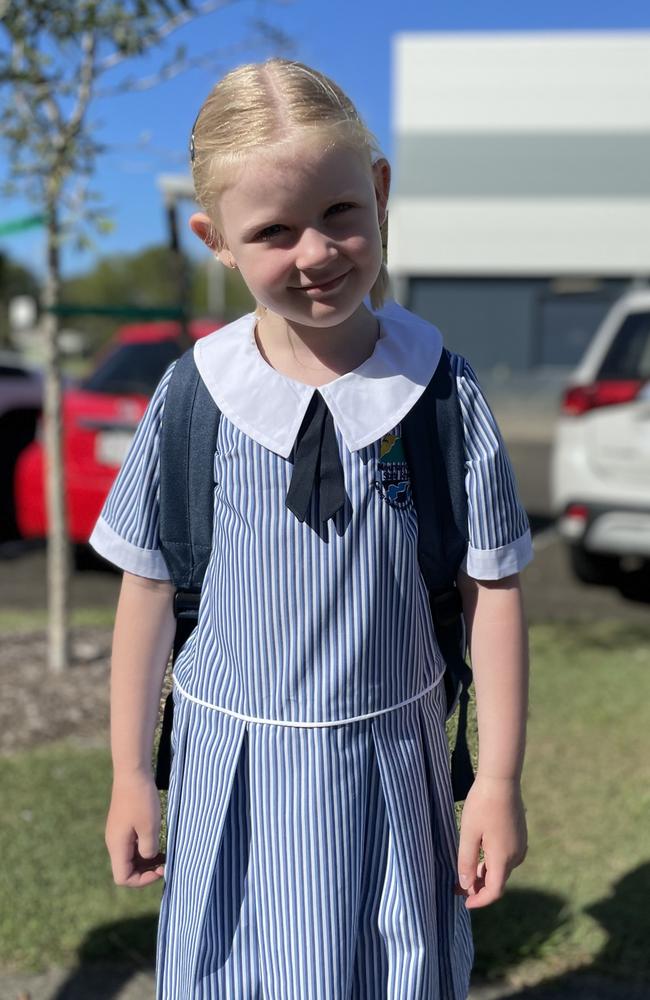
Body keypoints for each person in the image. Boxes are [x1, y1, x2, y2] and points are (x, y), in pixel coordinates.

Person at [91, 58, 532, 1000]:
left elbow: (490, 590)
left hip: (389, 775)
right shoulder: (191, 399)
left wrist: (495, 781)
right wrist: (133, 772)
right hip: (232, 776)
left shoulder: (443, 396)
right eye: (272, 231)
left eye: (338, 213)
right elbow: (148, 588)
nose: (316, 252)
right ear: (217, 241)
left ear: (378, 191)